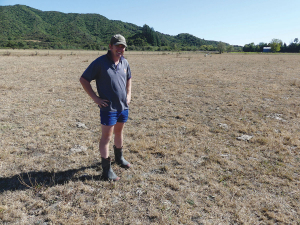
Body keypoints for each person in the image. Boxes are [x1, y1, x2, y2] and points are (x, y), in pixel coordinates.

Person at [79, 34, 132, 181]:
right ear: (110, 46)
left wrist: (129, 95)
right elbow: (83, 80)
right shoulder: (100, 63)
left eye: (123, 47)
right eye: (117, 46)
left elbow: (129, 79)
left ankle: (119, 159)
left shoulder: (124, 62)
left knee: (119, 133)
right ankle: (106, 171)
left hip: (123, 106)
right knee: (106, 138)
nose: (120, 49)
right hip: (109, 109)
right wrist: (95, 98)